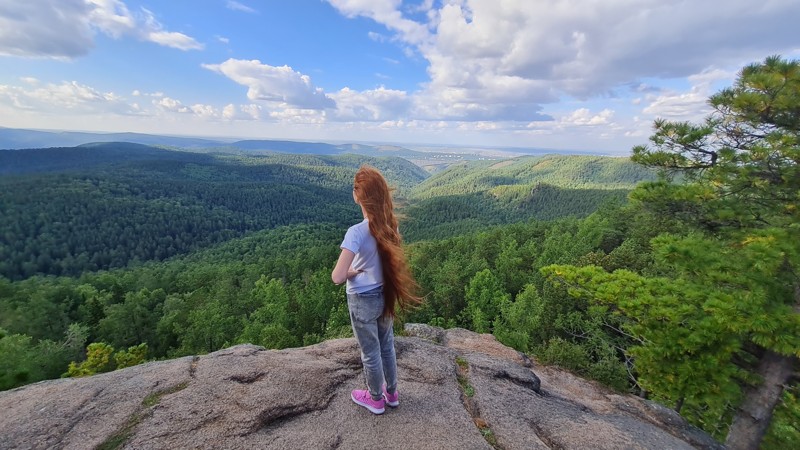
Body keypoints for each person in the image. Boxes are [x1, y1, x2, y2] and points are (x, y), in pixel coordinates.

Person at [331, 165, 421, 415]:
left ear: (358, 196)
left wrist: (350, 273)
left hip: (362, 299)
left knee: (370, 353)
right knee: (387, 346)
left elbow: (337, 277)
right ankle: (392, 394)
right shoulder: (391, 226)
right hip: (385, 295)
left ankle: (375, 399)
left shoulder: (356, 233)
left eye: (354, 188)